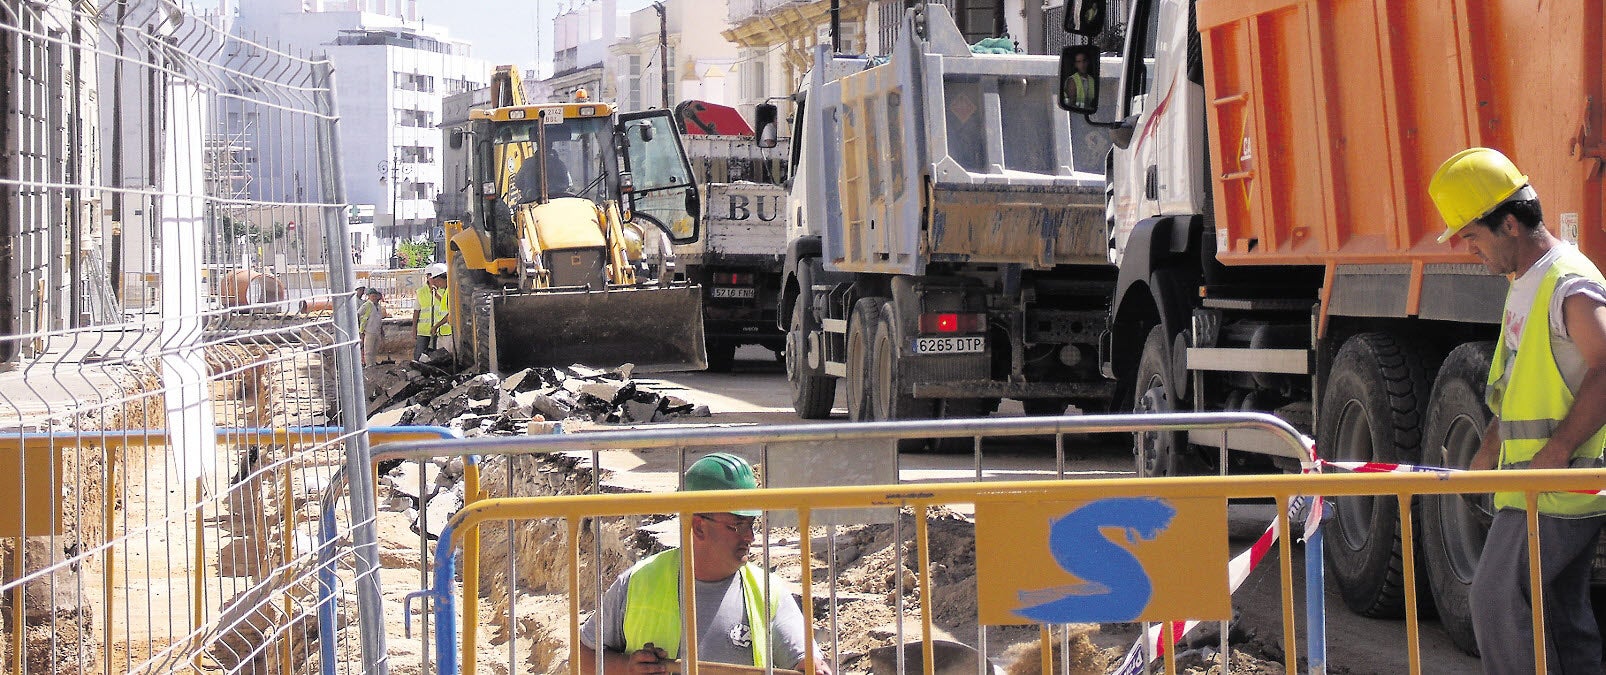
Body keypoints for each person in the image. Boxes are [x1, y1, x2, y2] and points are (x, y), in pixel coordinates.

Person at [1428, 147, 1606, 674]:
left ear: (1508, 224)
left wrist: (1556, 451)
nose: (1470, 251)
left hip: (1556, 488)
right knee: (1559, 615)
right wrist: (1486, 452)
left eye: (1473, 236)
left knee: (1494, 603)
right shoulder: (1525, 286)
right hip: (1540, 485)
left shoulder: (1568, 281)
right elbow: (1516, 390)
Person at [578, 453, 830, 675]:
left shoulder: (766, 591)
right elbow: (582, 659)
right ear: (698, 526)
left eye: (751, 524)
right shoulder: (638, 582)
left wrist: (812, 666)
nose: (750, 536)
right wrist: (626, 669)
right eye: (738, 525)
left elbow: (804, 660)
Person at [413, 263, 452, 360]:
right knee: (420, 356)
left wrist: (436, 326)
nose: (432, 280)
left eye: (433, 277)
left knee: (440, 358)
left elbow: (448, 311)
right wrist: (414, 329)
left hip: (442, 332)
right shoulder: (421, 291)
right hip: (426, 331)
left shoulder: (447, 290)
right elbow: (416, 311)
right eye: (429, 276)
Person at [357, 288, 386, 365]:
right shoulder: (367, 305)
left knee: (374, 350)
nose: (374, 297)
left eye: (375, 296)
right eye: (372, 296)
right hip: (369, 331)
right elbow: (358, 314)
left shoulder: (378, 306)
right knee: (368, 351)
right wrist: (361, 330)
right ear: (369, 296)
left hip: (376, 331)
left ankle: (373, 365)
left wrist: (381, 332)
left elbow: (379, 320)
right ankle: (369, 366)